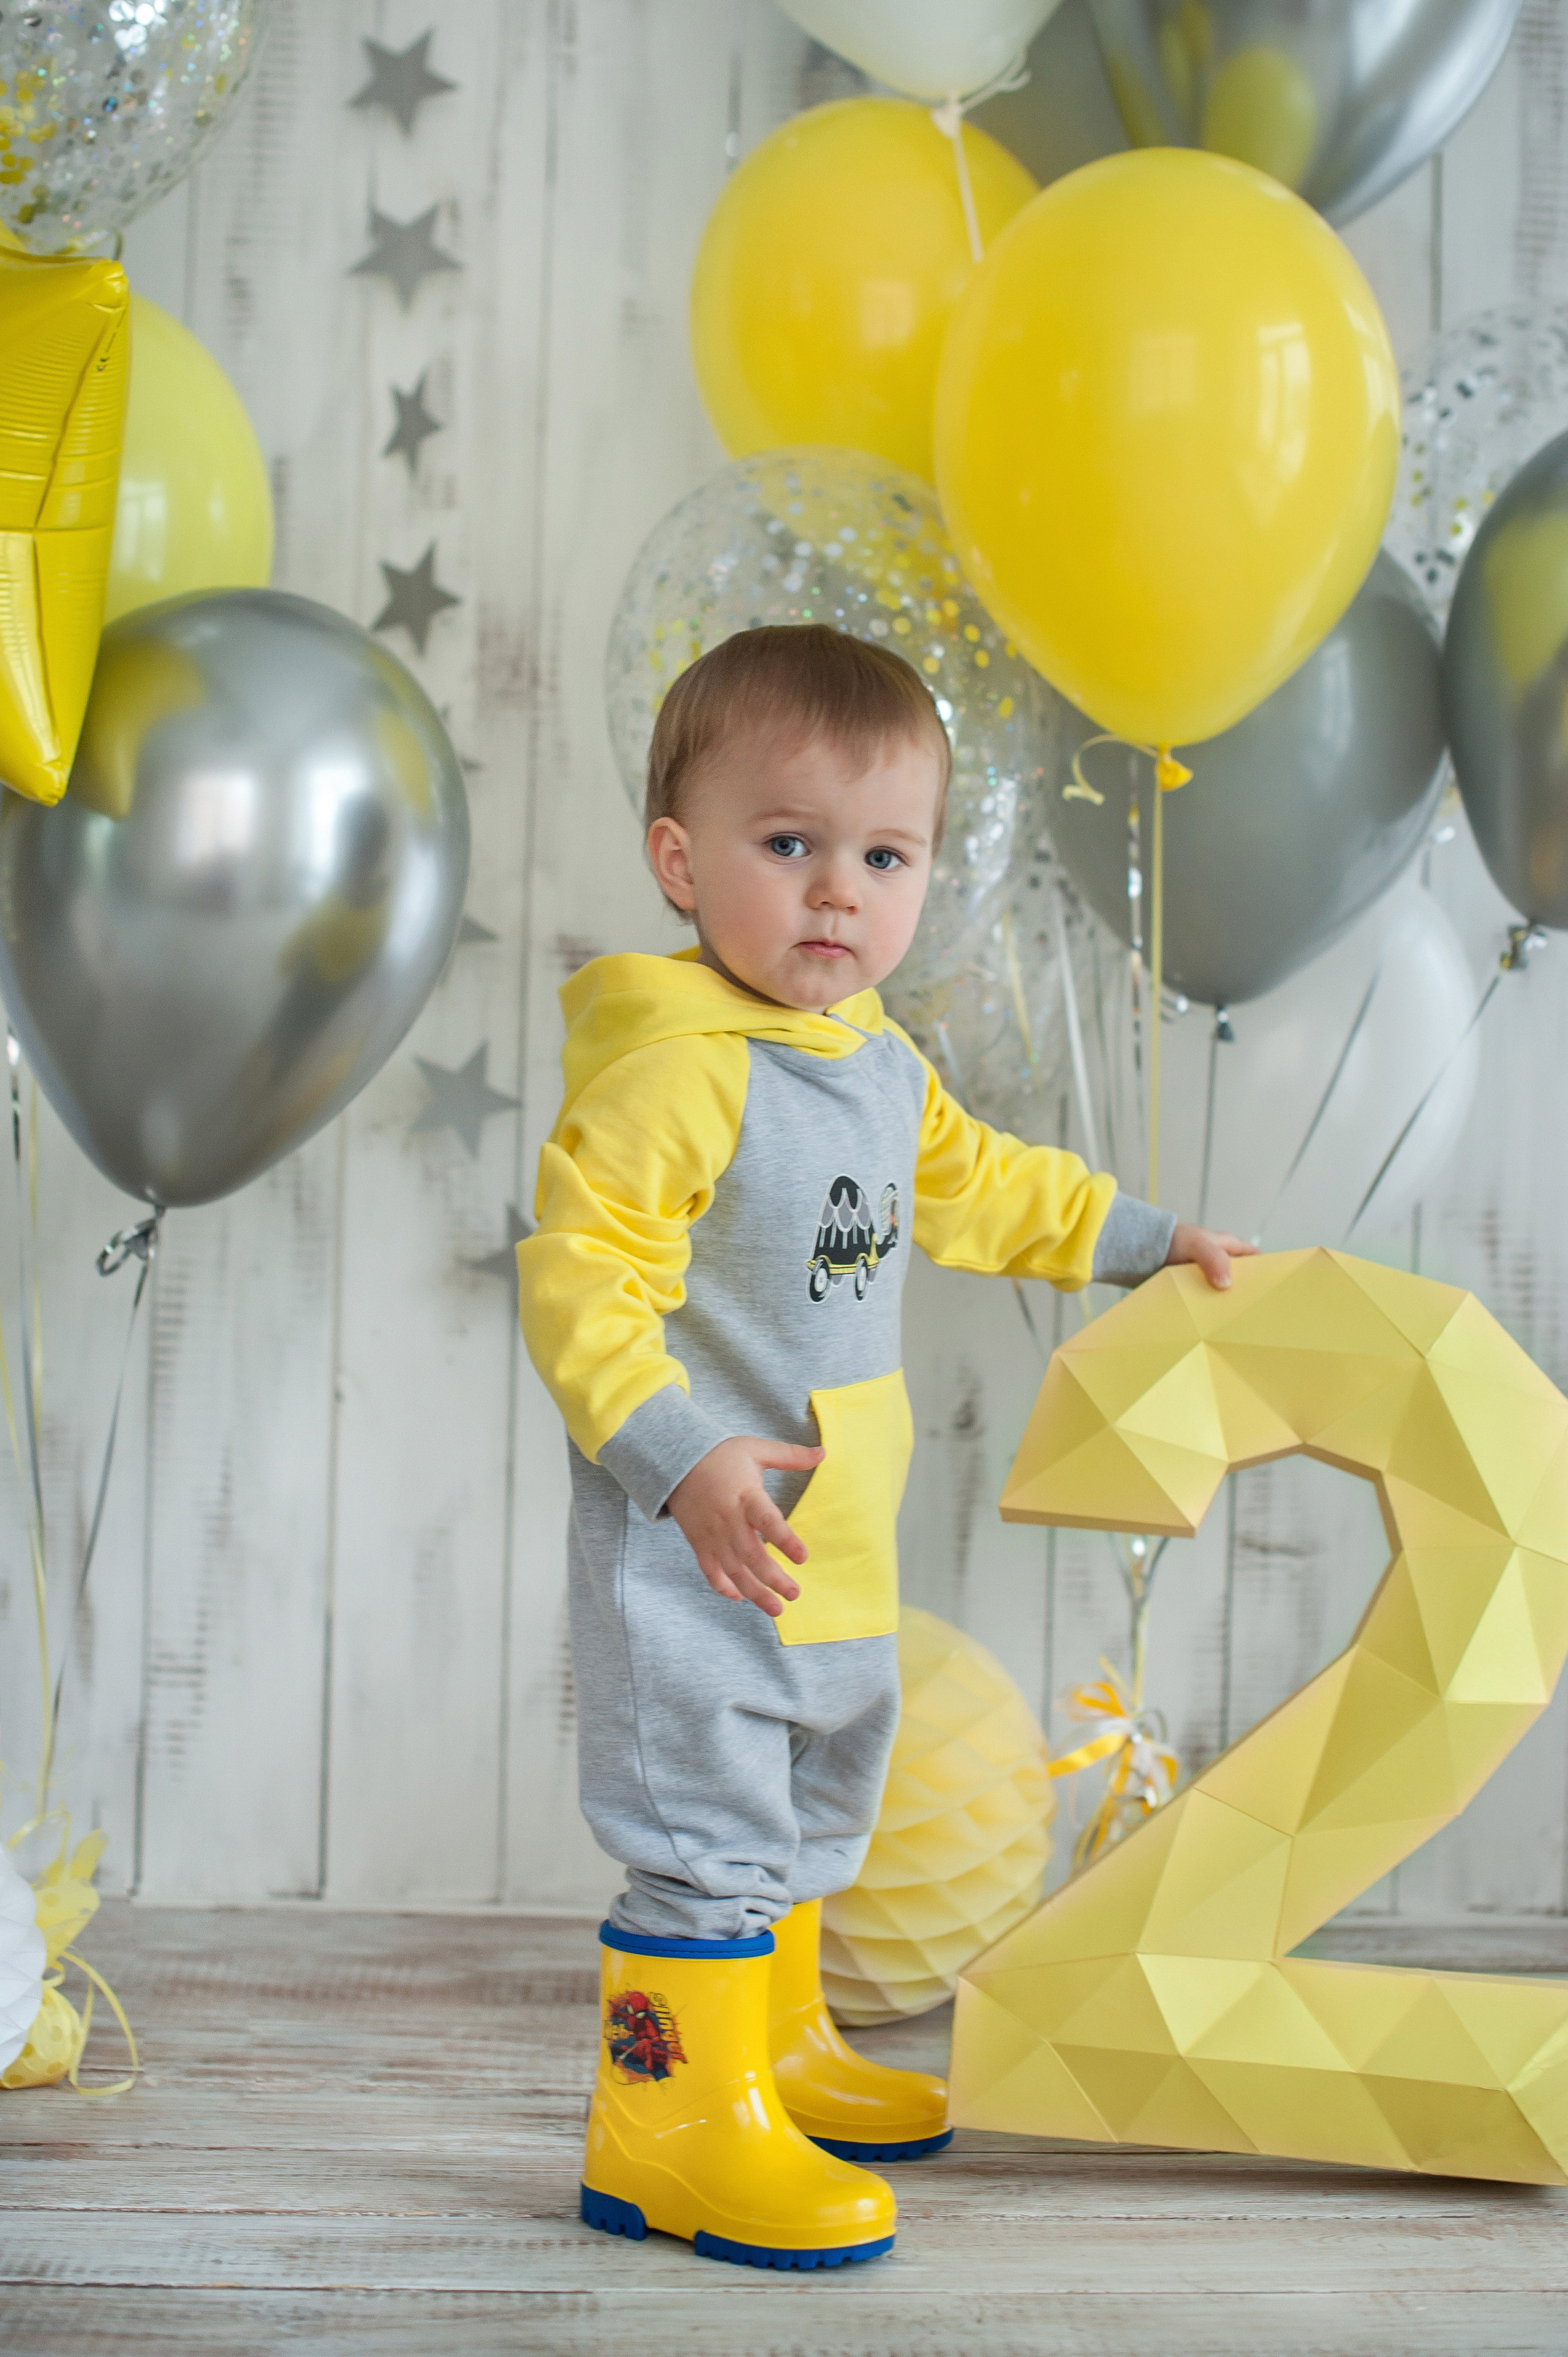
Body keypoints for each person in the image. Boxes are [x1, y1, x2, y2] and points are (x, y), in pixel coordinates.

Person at [518, 624, 1253, 2271]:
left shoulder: (873, 1063)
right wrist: (680, 1455)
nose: (839, 893)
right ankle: (666, 2129)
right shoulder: (674, 1075)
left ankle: (774, 2055)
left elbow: (984, 1183)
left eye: (884, 856)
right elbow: (579, 1282)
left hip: (831, 1546)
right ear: (681, 864)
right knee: (706, 1838)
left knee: (802, 1816)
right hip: (697, 1550)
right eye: (790, 845)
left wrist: (1148, 1240)